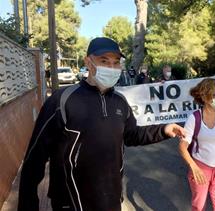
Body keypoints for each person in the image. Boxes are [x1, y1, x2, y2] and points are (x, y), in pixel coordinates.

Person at [17, 37, 185, 211]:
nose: (111, 68)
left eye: (116, 62)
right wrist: (27, 204)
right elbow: (35, 157)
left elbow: (132, 134)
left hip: (110, 198)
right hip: (70, 201)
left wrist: (164, 130)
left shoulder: (120, 102)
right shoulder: (62, 100)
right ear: (88, 62)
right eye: (104, 61)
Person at [179, 78, 215, 211]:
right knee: (198, 207)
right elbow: (182, 147)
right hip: (200, 168)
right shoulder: (194, 118)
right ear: (204, 97)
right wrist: (194, 167)